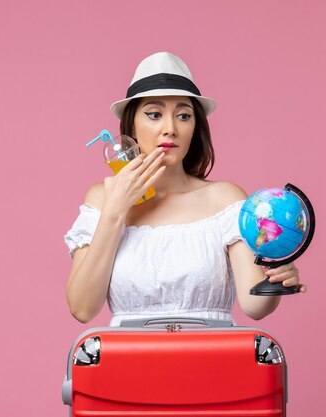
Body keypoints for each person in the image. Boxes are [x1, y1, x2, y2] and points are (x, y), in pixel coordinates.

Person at [64, 52, 305, 326]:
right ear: (131, 124)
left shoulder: (226, 200)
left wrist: (277, 277)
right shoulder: (101, 200)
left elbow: (254, 306)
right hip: (127, 362)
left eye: (183, 115)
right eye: (154, 114)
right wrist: (115, 211)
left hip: (212, 360)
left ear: (195, 126)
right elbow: (82, 308)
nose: (170, 129)